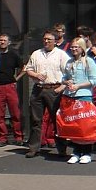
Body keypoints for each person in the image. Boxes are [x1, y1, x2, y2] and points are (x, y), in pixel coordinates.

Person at [24, 29, 70, 158]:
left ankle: (62, 148)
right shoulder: (36, 54)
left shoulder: (61, 55)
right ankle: (34, 148)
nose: (46, 41)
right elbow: (28, 69)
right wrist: (36, 75)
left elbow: (68, 72)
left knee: (56, 120)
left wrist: (61, 87)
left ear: (55, 41)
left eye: (49, 39)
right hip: (38, 89)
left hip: (53, 89)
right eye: (44, 39)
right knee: (35, 120)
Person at [55, 37, 96, 163]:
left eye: (76, 47)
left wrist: (78, 86)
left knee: (84, 126)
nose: (73, 49)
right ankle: (76, 151)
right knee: (73, 125)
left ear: (82, 48)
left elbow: (94, 80)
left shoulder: (89, 62)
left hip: (83, 96)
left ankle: (86, 152)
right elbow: (63, 78)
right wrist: (66, 81)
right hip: (70, 97)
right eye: (72, 47)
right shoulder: (69, 62)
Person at [0, 33, 24, 146]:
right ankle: (2, 138)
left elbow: (24, 68)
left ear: (9, 42)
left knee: (15, 114)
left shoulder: (13, 55)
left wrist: (16, 79)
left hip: (10, 87)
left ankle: (18, 137)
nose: (2, 42)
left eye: (4, 40)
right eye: (0, 40)